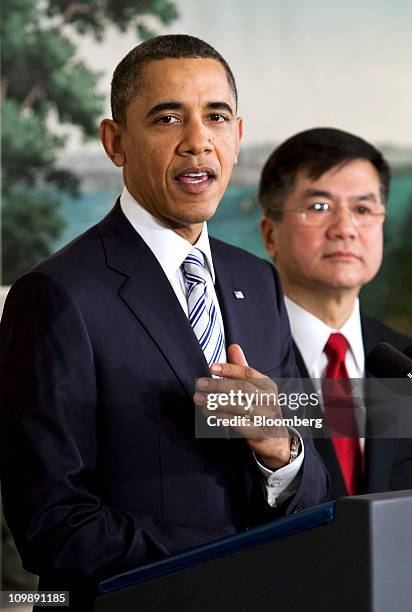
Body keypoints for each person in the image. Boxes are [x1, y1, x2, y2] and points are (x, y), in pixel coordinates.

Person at [0, 36, 328, 610]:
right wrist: (231, 562)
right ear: (115, 142)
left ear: (238, 136)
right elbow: (51, 523)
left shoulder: (259, 281)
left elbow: (315, 471)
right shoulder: (56, 295)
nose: (197, 141)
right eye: (168, 117)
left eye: (216, 117)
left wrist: (282, 449)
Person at [259, 127, 412, 499]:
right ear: (270, 235)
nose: (345, 229)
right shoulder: (239, 359)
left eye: (362, 209)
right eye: (319, 207)